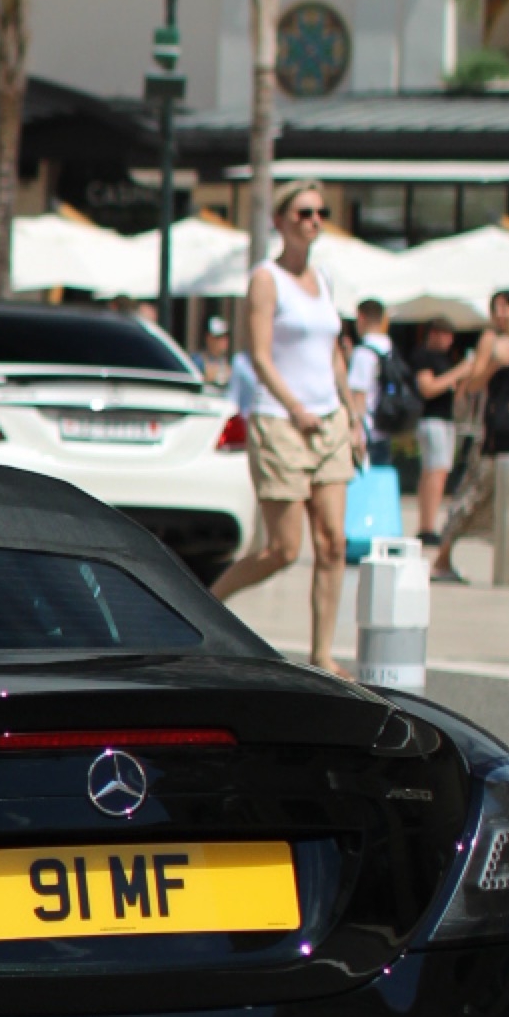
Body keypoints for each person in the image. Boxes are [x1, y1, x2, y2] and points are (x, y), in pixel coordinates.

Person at [214, 184, 354, 673]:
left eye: (321, 212)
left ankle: (322, 653)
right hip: (280, 419)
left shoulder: (326, 278)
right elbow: (258, 353)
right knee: (282, 550)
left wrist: (351, 414)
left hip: (329, 420)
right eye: (304, 212)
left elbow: (335, 351)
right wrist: (294, 407)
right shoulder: (266, 279)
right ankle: (209, 603)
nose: (314, 220)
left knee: (334, 541)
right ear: (280, 221)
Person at [429, 287, 509, 584]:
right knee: (473, 492)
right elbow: (475, 383)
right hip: (491, 430)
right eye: (496, 308)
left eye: (506, 307)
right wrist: (495, 363)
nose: (501, 313)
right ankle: (442, 557)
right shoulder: (489, 340)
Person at [411, 322, 459, 539]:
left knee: (438, 471)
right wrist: (459, 372)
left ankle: (429, 523)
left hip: (446, 419)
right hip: (431, 419)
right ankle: (427, 526)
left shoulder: (445, 360)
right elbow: (427, 388)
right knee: (435, 471)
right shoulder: (424, 356)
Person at [348, 296, 394, 455]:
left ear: (361, 317)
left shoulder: (363, 352)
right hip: (387, 425)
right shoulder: (390, 348)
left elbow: (359, 394)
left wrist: (356, 430)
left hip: (367, 430)